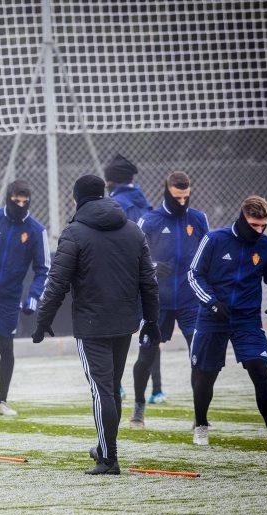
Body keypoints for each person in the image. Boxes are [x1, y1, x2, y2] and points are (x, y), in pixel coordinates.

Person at [32, 175, 159, 475]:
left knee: (101, 390)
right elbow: (149, 282)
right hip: (125, 322)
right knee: (111, 386)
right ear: (103, 195)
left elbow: (57, 283)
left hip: (91, 325)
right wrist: (151, 320)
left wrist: (42, 320)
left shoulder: (74, 233)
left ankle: (108, 458)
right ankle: (104, 448)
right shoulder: (132, 230)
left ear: (76, 199)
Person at [188, 195, 267, 449]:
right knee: (205, 374)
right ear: (242, 217)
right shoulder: (214, 239)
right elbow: (194, 274)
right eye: (254, 225)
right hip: (212, 317)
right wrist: (211, 302)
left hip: (247, 319)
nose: (259, 230)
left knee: (259, 368)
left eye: (263, 225)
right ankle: (201, 424)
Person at [130, 172, 209, 428]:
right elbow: (132, 258)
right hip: (157, 303)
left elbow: (208, 255)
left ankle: (200, 418)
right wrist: (151, 265)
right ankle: (138, 408)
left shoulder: (198, 219)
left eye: (186, 197)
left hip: (190, 302)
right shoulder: (150, 221)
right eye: (178, 198)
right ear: (167, 192)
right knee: (145, 355)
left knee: (199, 356)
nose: (182, 202)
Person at [0, 180, 50, 415]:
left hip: (10, 297)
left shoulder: (36, 231)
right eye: (16, 201)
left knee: (7, 344)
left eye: (25, 202)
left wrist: (33, 297)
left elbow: (43, 268)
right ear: (8, 198)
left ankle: (2, 401)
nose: (21, 205)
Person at [104, 154, 155, 400]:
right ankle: (156, 389)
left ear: (110, 180)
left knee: (116, 330)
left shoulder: (117, 204)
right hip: (148, 271)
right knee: (150, 328)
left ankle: (117, 383)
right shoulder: (144, 201)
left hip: (122, 274)